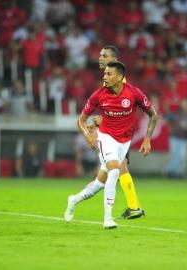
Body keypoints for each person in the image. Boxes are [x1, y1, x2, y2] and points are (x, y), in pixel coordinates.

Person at [64, 61, 158, 229]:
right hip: (106, 138)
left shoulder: (134, 93)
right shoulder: (99, 95)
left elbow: (153, 115)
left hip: (125, 142)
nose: (104, 77)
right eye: (104, 73)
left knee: (99, 184)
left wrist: (147, 139)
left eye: (108, 74)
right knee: (115, 170)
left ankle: (74, 199)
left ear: (119, 77)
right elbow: (81, 119)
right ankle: (107, 218)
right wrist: (87, 135)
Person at [93, 45, 146, 219]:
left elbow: (122, 106)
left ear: (114, 61)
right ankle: (134, 206)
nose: (100, 58)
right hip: (115, 131)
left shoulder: (119, 82)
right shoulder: (109, 81)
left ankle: (134, 207)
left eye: (105, 56)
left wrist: (100, 121)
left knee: (118, 167)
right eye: (100, 55)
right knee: (119, 167)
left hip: (120, 132)